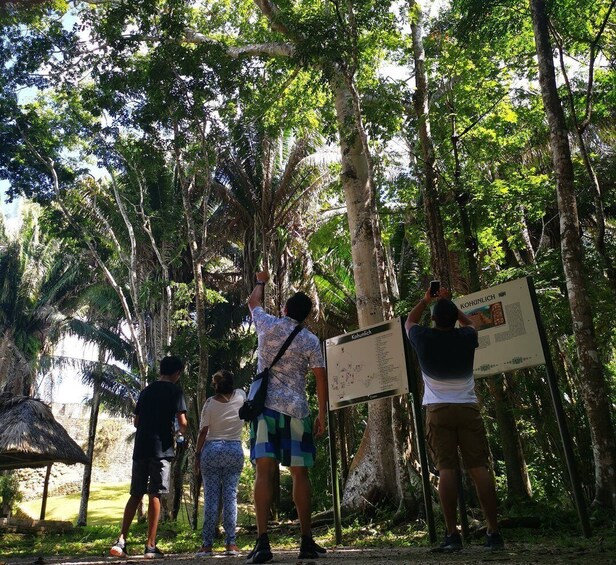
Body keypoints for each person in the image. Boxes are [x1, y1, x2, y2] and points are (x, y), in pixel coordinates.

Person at [405, 286, 504, 552]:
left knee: (447, 470)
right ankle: (493, 532)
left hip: (438, 410)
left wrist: (427, 300)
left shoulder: (423, 338)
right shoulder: (466, 337)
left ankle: (452, 534)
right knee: (479, 468)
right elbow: (470, 323)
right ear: (453, 319)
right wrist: (449, 303)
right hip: (468, 408)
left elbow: (410, 321)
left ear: (434, 320)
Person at [245, 270, 328, 564]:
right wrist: (322, 413)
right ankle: (306, 540)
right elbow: (320, 378)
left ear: (284, 310)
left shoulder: (267, 325)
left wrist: (261, 281)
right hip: (297, 411)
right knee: (299, 473)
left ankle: (263, 543)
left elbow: (253, 302)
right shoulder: (309, 340)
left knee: (264, 472)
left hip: (265, 409)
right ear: (306, 317)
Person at [110, 356, 188, 559]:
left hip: (141, 447)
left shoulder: (146, 391)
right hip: (161, 449)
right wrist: (179, 435)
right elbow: (183, 422)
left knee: (135, 494)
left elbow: (136, 421)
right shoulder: (175, 391)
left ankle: (121, 541)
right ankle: (150, 546)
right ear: (177, 373)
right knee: (155, 494)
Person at [194, 369, 246, 557]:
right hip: (234, 450)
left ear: (216, 386)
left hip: (212, 451)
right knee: (230, 497)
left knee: (211, 498)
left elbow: (203, 432)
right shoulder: (241, 396)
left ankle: (207, 545)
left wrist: (197, 455)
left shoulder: (209, 404)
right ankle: (231, 543)